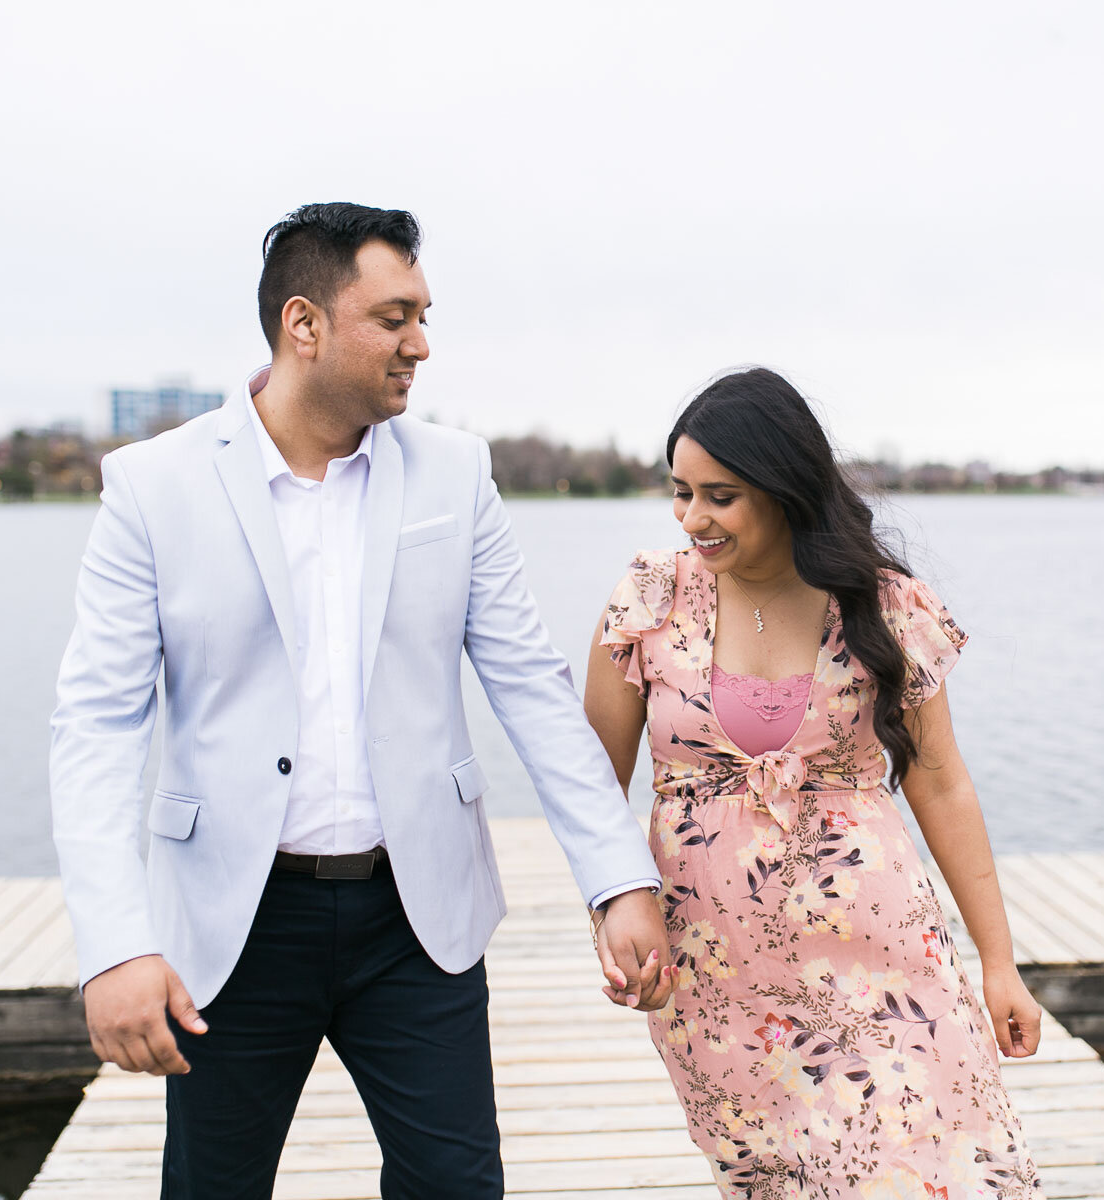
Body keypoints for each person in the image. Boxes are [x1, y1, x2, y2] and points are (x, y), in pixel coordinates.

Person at [50, 202, 675, 1199]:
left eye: (423, 315)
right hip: (231, 926)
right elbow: (94, 729)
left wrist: (616, 876)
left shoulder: (455, 472)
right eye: (394, 317)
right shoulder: (153, 487)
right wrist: (117, 945)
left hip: (414, 917)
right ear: (304, 324)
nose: (420, 344)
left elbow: (531, 685)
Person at [581, 368, 1046, 1198]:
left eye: (719, 496)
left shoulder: (887, 606)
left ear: (785, 488)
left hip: (883, 960)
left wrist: (1000, 963)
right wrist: (612, 906)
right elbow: (591, 787)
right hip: (719, 976)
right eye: (681, 493)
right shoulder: (652, 594)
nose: (693, 519)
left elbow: (942, 787)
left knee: (939, 1171)